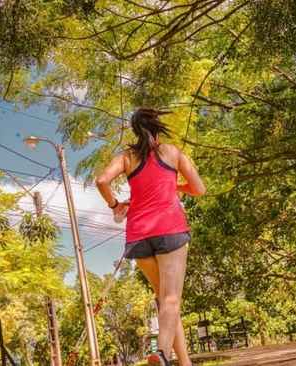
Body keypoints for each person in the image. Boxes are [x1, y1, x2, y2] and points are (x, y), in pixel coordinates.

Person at [96, 108, 205, 366]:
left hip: (138, 236)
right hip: (170, 230)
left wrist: (115, 205)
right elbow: (199, 189)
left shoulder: (125, 157)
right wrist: (174, 185)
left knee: (166, 303)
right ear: (157, 128)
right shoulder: (172, 152)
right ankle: (163, 353)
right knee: (171, 299)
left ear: (135, 131)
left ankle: (184, 362)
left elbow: (102, 180)